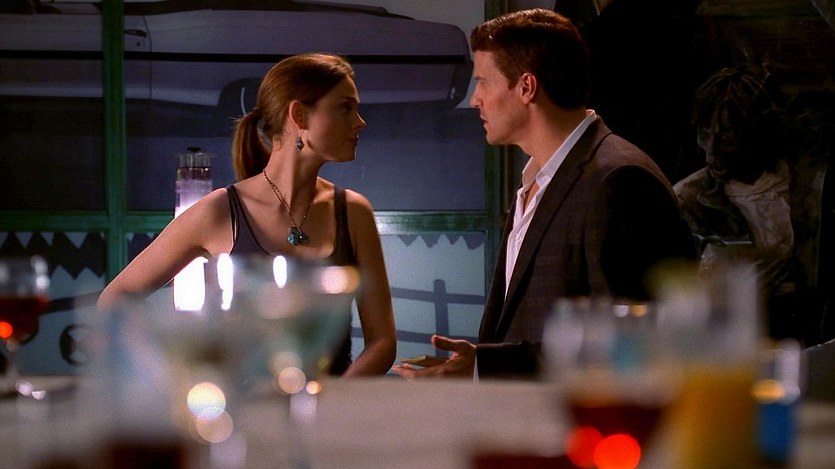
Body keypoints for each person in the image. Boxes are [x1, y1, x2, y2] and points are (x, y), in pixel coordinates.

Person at [391, 9, 695, 380]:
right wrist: (479, 365)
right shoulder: (536, 181)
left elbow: (634, 343)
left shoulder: (618, 181)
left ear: (526, 87)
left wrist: (484, 366)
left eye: (483, 82)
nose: (474, 100)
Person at [97, 53, 397, 376]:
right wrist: (170, 378)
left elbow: (382, 342)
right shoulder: (219, 211)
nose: (360, 121)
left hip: (328, 406)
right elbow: (115, 300)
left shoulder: (353, 212)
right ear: (299, 115)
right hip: (242, 406)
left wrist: (337, 398)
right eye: (345, 107)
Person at [673, 63, 825, 345]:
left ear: (757, 134)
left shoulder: (810, 188)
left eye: (727, 137)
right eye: (705, 133)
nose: (711, 150)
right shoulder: (689, 200)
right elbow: (676, 300)